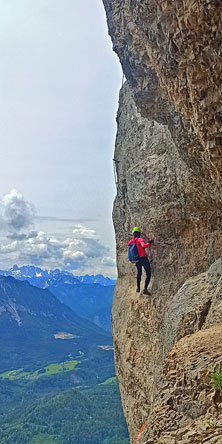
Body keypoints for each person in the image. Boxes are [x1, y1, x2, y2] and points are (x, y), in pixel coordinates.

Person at [127, 227, 153, 295]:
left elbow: (128, 244)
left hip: (136, 259)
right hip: (143, 258)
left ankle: (138, 287)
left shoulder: (131, 241)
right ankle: (145, 289)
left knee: (139, 273)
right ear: (138, 233)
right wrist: (149, 243)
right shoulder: (139, 239)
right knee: (148, 273)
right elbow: (143, 246)